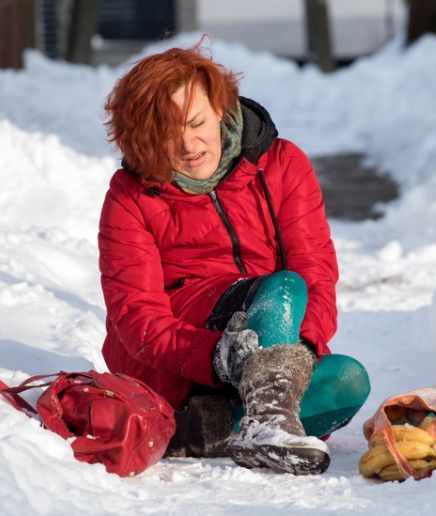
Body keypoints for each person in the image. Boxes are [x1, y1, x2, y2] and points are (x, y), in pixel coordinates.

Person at [98, 41, 370, 476]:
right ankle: (265, 424)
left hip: (272, 334)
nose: (189, 144)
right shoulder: (129, 197)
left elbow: (316, 273)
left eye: (197, 122)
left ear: (221, 109)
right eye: (167, 132)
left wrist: (293, 358)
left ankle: (204, 430)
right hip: (178, 365)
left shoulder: (283, 165)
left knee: (348, 380)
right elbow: (137, 320)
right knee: (284, 286)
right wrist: (218, 356)